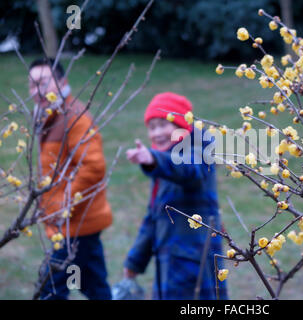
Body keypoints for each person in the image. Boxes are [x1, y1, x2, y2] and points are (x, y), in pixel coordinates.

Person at [122, 92, 228, 299]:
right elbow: (153, 218)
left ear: (181, 125)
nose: (156, 133)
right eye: (151, 127)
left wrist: (153, 159)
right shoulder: (163, 164)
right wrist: (135, 262)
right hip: (169, 265)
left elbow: (190, 172)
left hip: (195, 265)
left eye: (163, 125)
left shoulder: (199, 149)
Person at [29, 58, 113, 300]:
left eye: (44, 82)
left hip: (73, 223)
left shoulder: (74, 117)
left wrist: (63, 205)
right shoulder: (52, 116)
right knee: (93, 284)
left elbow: (93, 166)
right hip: (79, 222)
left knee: (50, 289)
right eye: (32, 85)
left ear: (62, 83)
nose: (37, 90)